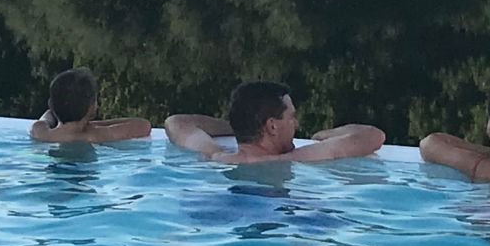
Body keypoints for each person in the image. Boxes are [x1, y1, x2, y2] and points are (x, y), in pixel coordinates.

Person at [164, 80, 385, 164]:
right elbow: (374, 136)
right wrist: (325, 135)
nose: (296, 124)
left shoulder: (215, 156)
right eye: (291, 117)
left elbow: (176, 122)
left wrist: (243, 123)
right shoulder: (297, 158)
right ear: (271, 126)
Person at [30, 67, 151, 144]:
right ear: (92, 107)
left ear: (50, 104)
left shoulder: (40, 131)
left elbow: (48, 115)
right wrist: (90, 124)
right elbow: (143, 126)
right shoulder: (95, 135)